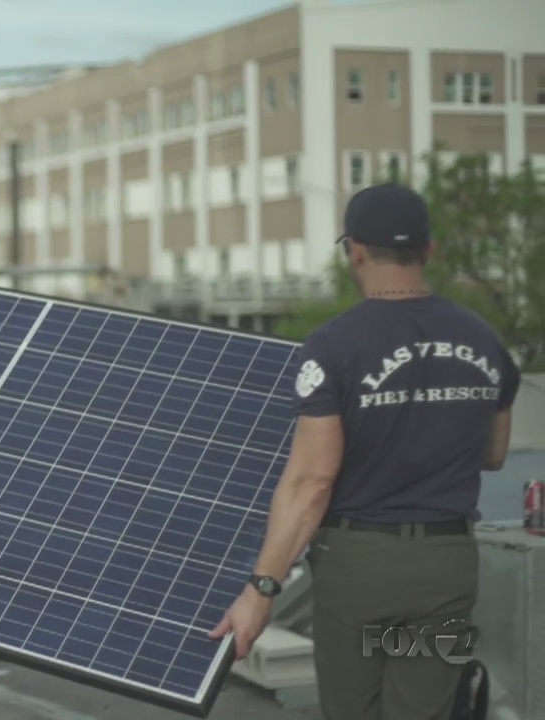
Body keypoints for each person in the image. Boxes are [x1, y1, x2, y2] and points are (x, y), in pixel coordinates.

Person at [208, 183, 521, 720]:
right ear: (428, 250)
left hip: (361, 572)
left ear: (354, 250)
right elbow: (492, 454)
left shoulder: (336, 346)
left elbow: (312, 482)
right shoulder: (484, 340)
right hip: (444, 569)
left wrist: (263, 588)